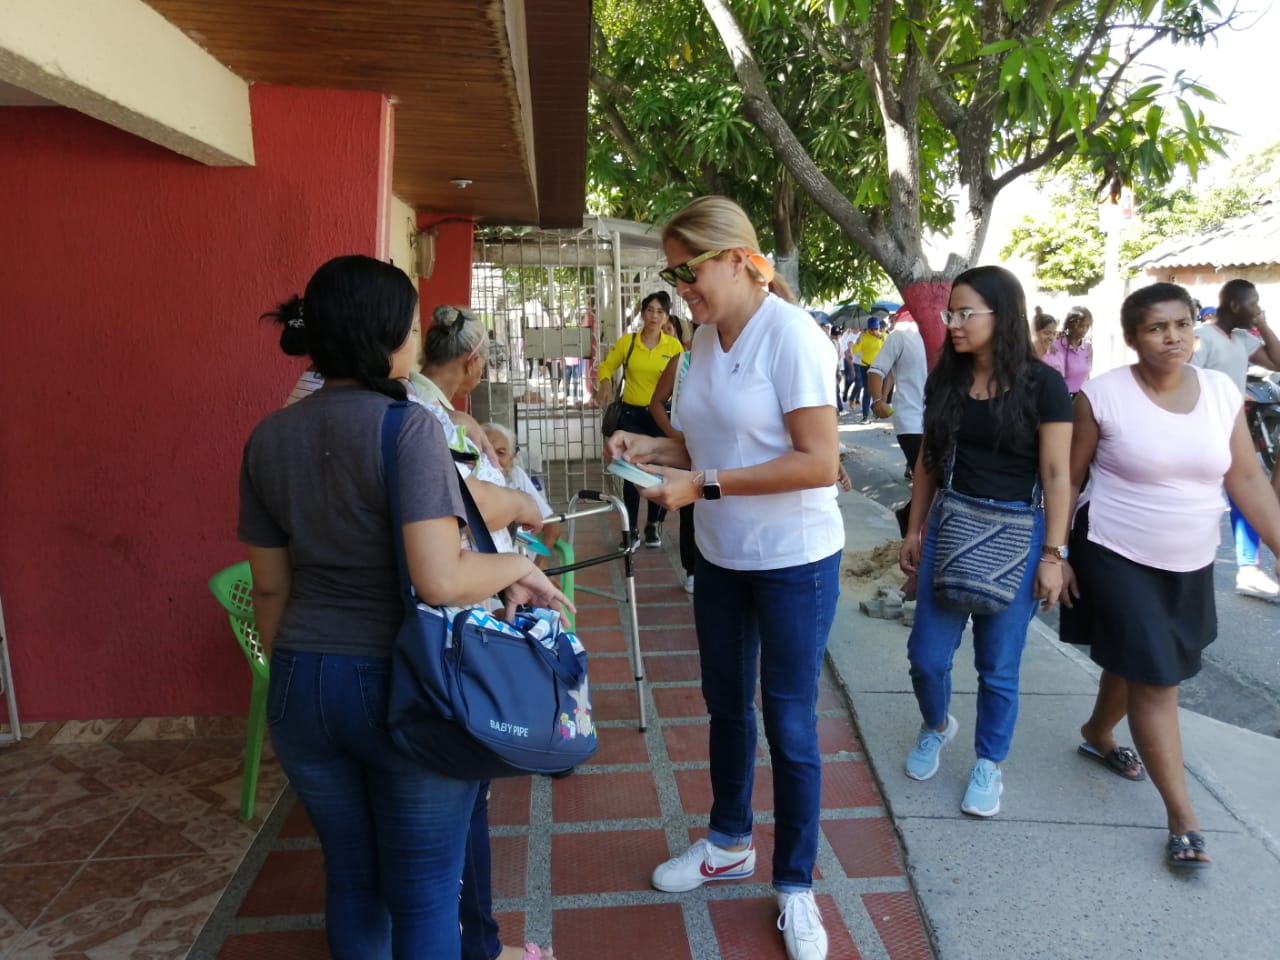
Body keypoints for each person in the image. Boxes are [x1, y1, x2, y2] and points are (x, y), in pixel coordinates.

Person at [238, 255, 567, 959]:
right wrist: (518, 565)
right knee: (422, 894)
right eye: (414, 326)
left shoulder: (269, 435)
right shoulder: (406, 428)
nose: (419, 341)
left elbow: (270, 587)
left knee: (352, 881)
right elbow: (441, 578)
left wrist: (294, 673)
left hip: (302, 683)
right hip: (401, 685)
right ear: (386, 336)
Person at [606, 195, 842, 960]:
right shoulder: (702, 340)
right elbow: (710, 446)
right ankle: (729, 842)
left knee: (790, 720)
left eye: (690, 268)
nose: (681, 287)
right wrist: (653, 455)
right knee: (725, 708)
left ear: (739, 257)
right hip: (721, 556)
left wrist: (701, 485)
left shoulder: (792, 335)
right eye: (672, 272)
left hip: (792, 560)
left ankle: (797, 884)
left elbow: (819, 462)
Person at [1061, 282, 1280, 869]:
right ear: (1132, 338)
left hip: (1190, 557)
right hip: (1114, 551)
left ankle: (1097, 733)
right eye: (1157, 328)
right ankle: (1183, 818)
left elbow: (1249, 481)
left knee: (1135, 661)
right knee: (1157, 677)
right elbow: (1068, 479)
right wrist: (1054, 553)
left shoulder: (1220, 392)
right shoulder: (1101, 396)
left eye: (1183, 324)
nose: (1173, 337)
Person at [898, 265, 1072, 818]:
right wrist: (913, 528)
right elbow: (928, 459)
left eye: (966, 313)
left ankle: (988, 762)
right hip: (951, 524)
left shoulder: (1043, 385)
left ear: (1003, 316)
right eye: (952, 312)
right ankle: (936, 725)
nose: (954, 323)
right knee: (926, 658)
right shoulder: (945, 379)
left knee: (998, 665)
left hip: (1020, 534)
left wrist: (1054, 556)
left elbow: (1057, 474)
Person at [1192, 278, 1280, 599]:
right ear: (1234, 305)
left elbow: (1279, 361)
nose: (1257, 309)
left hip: (1235, 428)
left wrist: (1263, 324)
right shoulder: (1202, 338)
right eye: (1253, 304)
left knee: (1244, 495)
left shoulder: (1243, 339)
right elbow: (1187, 381)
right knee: (1204, 501)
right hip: (1205, 431)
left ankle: (1248, 569)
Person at [595, 291, 684, 547]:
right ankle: (631, 529)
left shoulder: (673, 347)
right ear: (642, 312)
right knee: (630, 474)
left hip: (661, 416)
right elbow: (607, 365)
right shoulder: (629, 343)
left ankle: (653, 525)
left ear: (666, 316)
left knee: (658, 472)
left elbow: (683, 380)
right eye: (650, 310)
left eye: (660, 311)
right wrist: (604, 383)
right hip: (631, 416)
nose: (654, 316)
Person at [484, 420, 564, 563]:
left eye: (500, 453)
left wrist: (540, 565)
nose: (492, 459)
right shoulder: (469, 482)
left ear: (512, 458)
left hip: (523, 561)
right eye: (483, 451)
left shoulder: (516, 475)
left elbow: (552, 524)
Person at [867, 308, 927, 482]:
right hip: (911, 421)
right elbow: (877, 370)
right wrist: (879, 400)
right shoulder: (900, 336)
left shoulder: (948, 336)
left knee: (935, 486)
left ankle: (909, 510)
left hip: (941, 421)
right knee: (928, 481)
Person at [1041, 305, 1093, 395]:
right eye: (1081, 326)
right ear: (1070, 325)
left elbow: (1087, 377)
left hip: (1082, 399)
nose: (1084, 330)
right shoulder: (1055, 347)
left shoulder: (1088, 348)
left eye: (1087, 326)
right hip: (1062, 398)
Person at [853, 317, 886, 421]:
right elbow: (855, 350)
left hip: (878, 367)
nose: (874, 331)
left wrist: (881, 337)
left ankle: (876, 412)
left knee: (877, 392)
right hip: (865, 366)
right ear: (868, 328)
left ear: (879, 328)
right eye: (871, 329)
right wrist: (857, 343)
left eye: (876, 328)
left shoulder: (883, 336)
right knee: (867, 391)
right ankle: (865, 415)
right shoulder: (863, 336)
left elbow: (888, 348)